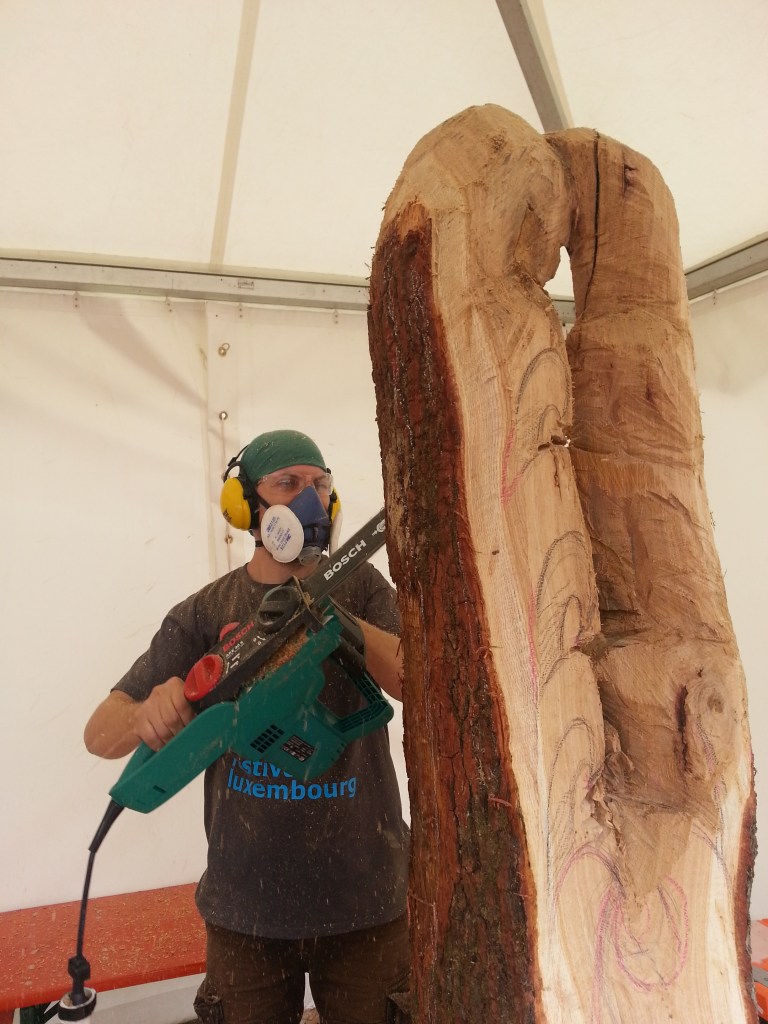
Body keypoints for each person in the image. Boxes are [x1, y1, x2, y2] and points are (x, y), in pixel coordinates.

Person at [84, 429, 410, 1024]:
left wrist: (335, 615)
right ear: (246, 506)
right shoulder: (206, 612)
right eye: (288, 483)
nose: (309, 500)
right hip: (246, 907)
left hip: (366, 897)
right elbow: (99, 735)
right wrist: (145, 712)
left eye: (320, 485)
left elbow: (414, 677)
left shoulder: (361, 586)